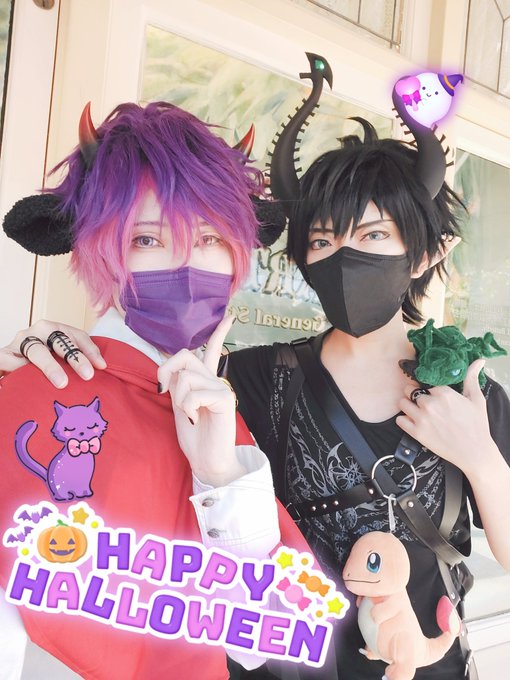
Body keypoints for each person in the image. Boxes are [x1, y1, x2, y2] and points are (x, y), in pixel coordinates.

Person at [5, 67, 510, 680]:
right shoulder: (246, 379)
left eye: (374, 234)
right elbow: (145, 409)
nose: (345, 258)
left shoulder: (470, 393)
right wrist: (49, 357)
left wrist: (482, 460)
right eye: (322, 242)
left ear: (426, 253)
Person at [0, 100, 310, 680]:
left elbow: (270, 633)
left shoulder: (214, 414)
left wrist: (220, 474)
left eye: (212, 237)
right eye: (147, 239)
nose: (187, 262)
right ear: (100, 249)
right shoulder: (29, 392)